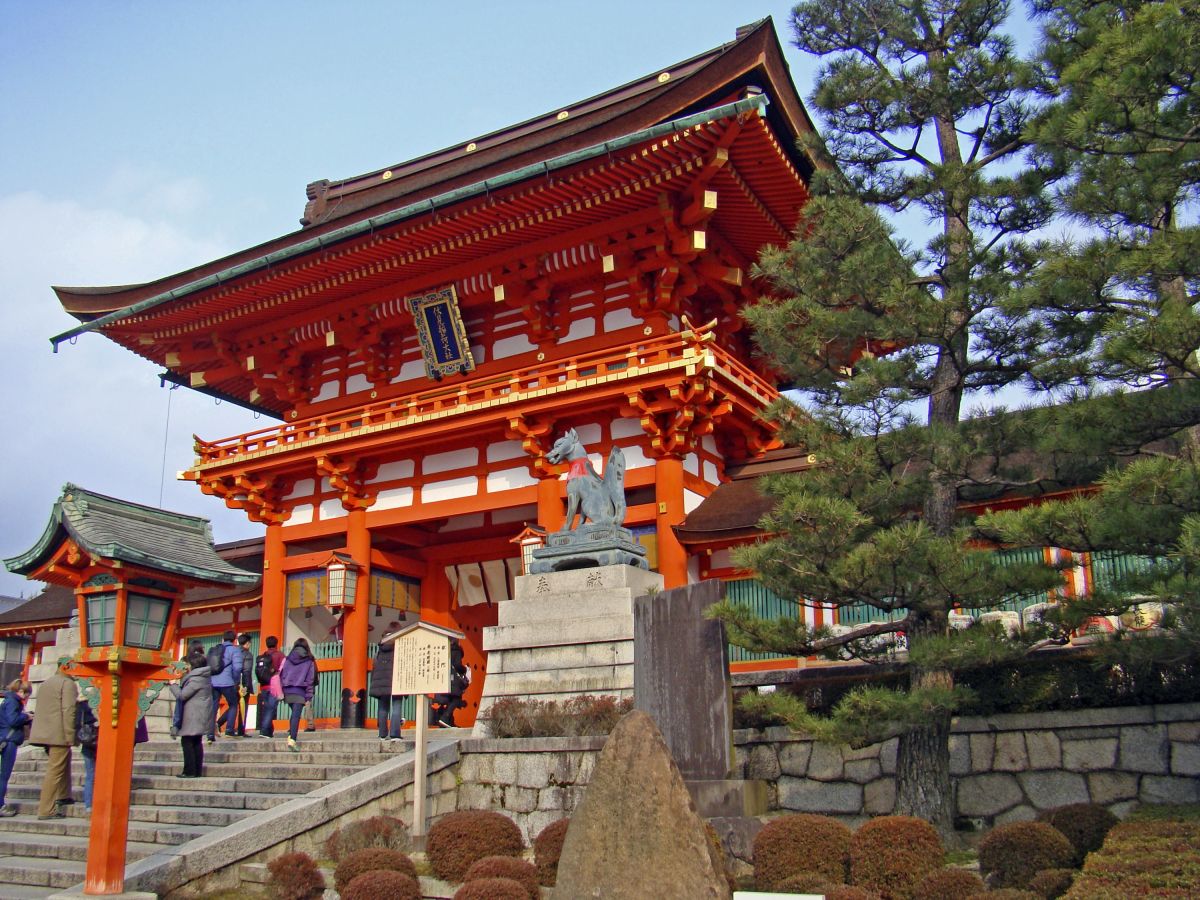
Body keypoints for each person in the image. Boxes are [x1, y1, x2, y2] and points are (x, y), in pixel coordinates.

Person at [29, 658, 78, 819]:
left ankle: (64, 794)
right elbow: (69, 710)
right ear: (66, 667)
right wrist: (71, 735)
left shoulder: (47, 682)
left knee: (63, 763)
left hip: (45, 732)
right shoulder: (67, 684)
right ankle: (46, 809)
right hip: (59, 734)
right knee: (55, 771)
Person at [171, 648, 213, 777]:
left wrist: (173, 686)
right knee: (196, 742)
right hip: (198, 713)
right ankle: (196, 770)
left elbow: (183, 695)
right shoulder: (203, 677)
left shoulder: (196, 679)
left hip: (193, 715)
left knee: (188, 742)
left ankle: (189, 771)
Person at [0, 679, 32, 816]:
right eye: (27, 694)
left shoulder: (7, 700)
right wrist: (26, 716)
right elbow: (13, 720)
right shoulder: (13, 701)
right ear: (20, 691)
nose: (27, 697)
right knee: (4, 775)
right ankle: (0, 806)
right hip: (9, 741)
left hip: (5, 738)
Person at [278, 638, 317, 752]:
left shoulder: (287, 659)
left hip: (287, 690)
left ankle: (291, 736)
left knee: (294, 714)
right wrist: (309, 696)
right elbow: (310, 680)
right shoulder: (309, 661)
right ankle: (292, 739)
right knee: (296, 715)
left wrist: (282, 689)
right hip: (299, 690)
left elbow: (281, 674)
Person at [207, 630, 243, 743]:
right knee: (233, 704)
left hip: (213, 681)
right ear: (234, 639)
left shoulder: (215, 649)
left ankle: (210, 733)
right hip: (227, 681)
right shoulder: (235, 650)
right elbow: (237, 668)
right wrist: (236, 680)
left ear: (223, 639)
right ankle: (229, 730)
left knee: (213, 706)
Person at [430, 640, 470, 728]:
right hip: (453, 679)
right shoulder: (456, 650)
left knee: (449, 699)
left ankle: (448, 721)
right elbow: (457, 665)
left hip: (443, 678)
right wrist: (465, 669)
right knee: (456, 698)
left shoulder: (443, 650)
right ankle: (445, 718)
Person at [369, 640, 403, 742]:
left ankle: (382, 734)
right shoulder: (398, 650)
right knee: (396, 706)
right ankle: (395, 734)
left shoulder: (379, 652)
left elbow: (374, 668)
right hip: (395, 682)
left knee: (383, 708)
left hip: (380, 683)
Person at [255, 636, 285, 738]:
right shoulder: (279, 655)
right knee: (271, 708)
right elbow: (284, 670)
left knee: (267, 707)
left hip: (263, 685)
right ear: (276, 644)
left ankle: (269, 731)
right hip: (274, 685)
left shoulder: (263, 656)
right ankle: (263, 730)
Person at [75, 699, 98, 812]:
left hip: (87, 743)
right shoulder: (95, 707)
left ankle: (89, 804)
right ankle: (95, 802)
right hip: (98, 743)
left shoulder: (80, 707)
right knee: (93, 775)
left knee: (90, 775)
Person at [230, 633, 253, 736]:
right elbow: (246, 671)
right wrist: (246, 686)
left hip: (231, 683)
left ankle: (220, 723)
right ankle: (241, 729)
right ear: (247, 643)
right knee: (243, 707)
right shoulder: (247, 654)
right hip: (241, 684)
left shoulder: (232, 652)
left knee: (233, 705)